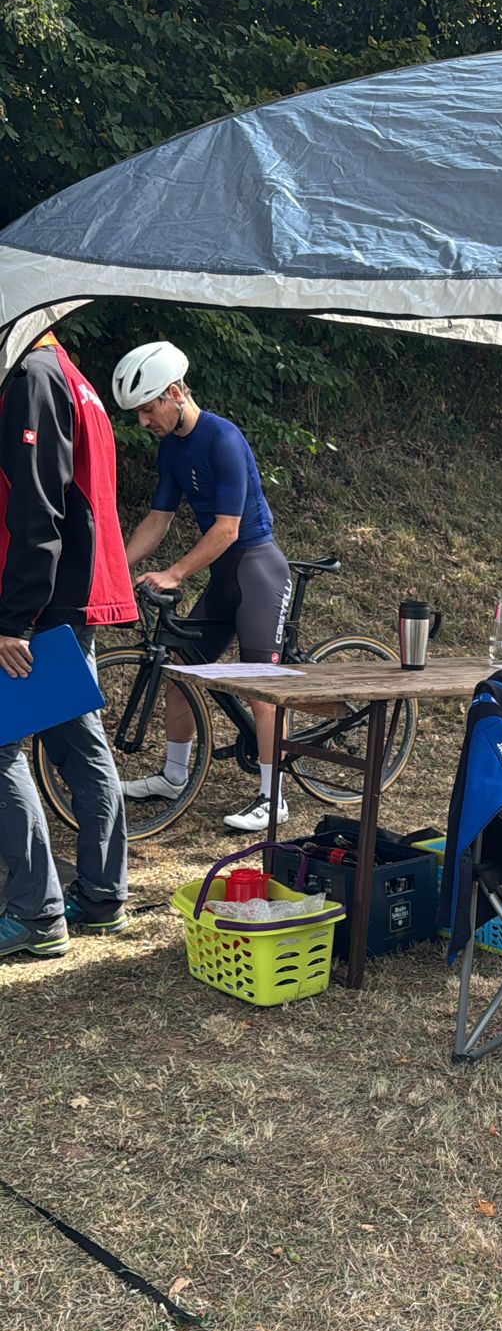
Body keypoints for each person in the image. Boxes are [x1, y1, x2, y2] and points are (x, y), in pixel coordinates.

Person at [113, 342, 293, 832]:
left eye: (147, 409)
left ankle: (273, 797)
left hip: (258, 570)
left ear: (174, 394)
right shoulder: (172, 449)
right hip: (224, 578)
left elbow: (227, 530)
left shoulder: (222, 438)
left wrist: (174, 574)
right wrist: (115, 567)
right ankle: (174, 777)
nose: (142, 422)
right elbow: (158, 519)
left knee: (261, 686)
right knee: (180, 672)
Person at [0, 333, 135, 959]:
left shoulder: (32, 376)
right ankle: (102, 895)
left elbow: (39, 505)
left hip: (44, 606)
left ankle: (37, 913)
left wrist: (15, 618)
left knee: (4, 750)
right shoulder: (67, 373)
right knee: (80, 748)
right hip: (70, 597)